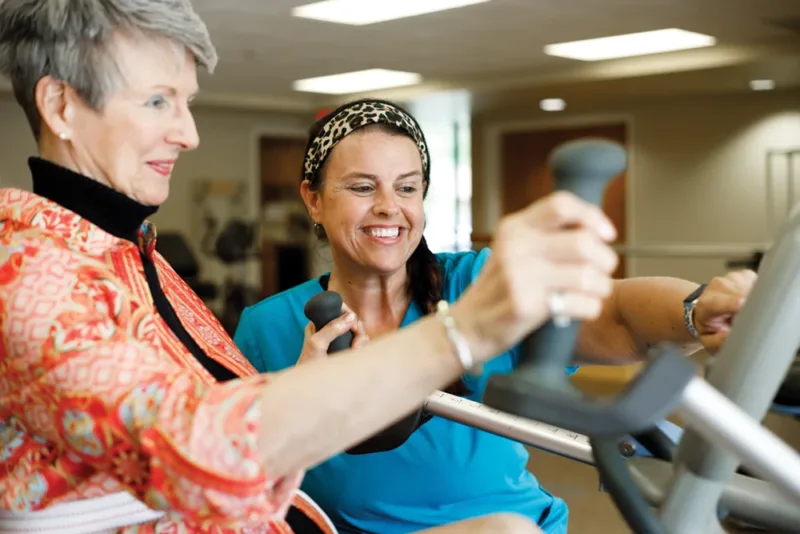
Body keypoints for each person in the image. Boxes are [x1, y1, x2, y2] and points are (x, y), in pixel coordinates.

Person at [0, 1, 634, 533]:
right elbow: (201, 445)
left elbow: (220, 411)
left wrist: (301, 385)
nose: (189, 134)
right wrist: (464, 331)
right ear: (60, 106)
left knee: (508, 527)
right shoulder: (30, 272)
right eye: (160, 102)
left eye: (187, 103)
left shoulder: (131, 256)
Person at [233, 98, 758, 534]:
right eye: (363, 187)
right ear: (314, 199)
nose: (390, 207)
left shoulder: (477, 285)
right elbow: (232, 478)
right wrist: (297, 404)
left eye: (408, 186)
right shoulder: (266, 329)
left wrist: (697, 309)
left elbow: (615, 311)